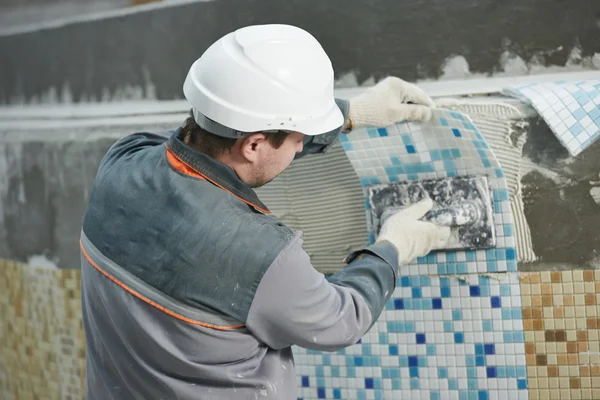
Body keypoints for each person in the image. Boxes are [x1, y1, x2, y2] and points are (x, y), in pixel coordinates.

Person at [79, 24, 450, 400]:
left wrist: (350, 114)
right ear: (254, 145)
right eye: (298, 139)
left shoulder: (123, 162)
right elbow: (340, 320)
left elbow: (213, 130)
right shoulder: (258, 252)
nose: (300, 145)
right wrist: (392, 248)